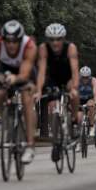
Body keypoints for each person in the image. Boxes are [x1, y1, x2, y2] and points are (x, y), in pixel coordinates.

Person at [0, 20, 38, 163]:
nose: (11, 44)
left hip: (25, 71)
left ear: (20, 39)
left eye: (15, 41)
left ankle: (30, 146)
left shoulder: (29, 45)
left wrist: (15, 79)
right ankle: (6, 119)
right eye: (8, 41)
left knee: (26, 98)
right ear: (3, 39)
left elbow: (24, 74)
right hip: (5, 68)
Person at [36, 22, 80, 156]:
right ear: (48, 40)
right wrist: (38, 90)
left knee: (74, 93)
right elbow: (42, 72)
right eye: (52, 40)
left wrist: (73, 88)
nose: (55, 43)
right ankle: (55, 141)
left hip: (67, 77)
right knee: (52, 106)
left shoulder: (70, 48)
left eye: (59, 39)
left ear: (63, 39)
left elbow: (74, 71)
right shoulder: (43, 48)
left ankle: (73, 120)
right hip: (53, 78)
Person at [78, 66, 96, 139]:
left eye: (87, 77)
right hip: (80, 99)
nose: (85, 79)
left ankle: (91, 127)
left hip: (89, 98)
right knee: (79, 117)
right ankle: (79, 131)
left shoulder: (93, 80)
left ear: (89, 76)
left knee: (91, 105)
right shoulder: (77, 80)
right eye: (83, 77)